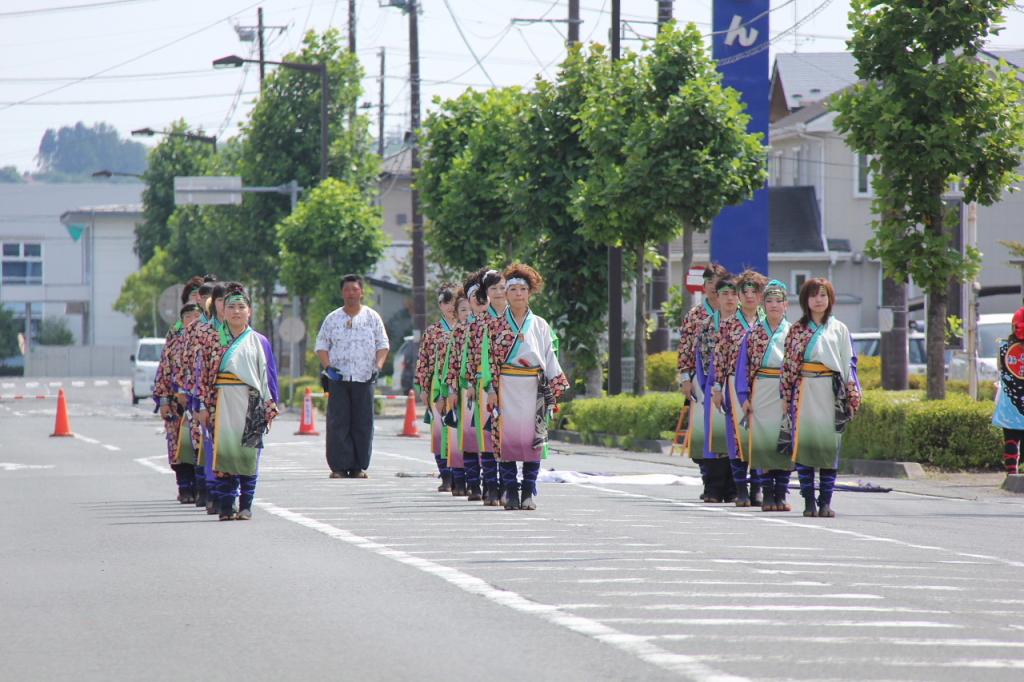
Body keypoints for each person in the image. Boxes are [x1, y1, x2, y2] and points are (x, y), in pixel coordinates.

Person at [470, 264, 569, 511]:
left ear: (529, 293)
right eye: (512, 289)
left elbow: (549, 356)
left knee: (534, 441)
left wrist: (554, 387)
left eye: (522, 289)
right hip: (506, 386)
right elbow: (486, 358)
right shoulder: (492, 325)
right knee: (506, 441)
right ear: (506, 293)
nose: (517, 294)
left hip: (533, 385)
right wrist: (490, 388)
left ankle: (528, 491)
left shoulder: (541, 324)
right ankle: (510, 490)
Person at [779, 278, 861, 518]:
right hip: (804, 390)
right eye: (813, 295)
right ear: (805, 299)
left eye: (823, 295)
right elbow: (789, 365)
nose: (818, 300)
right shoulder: (796, 329)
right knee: (804, 447)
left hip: (831, 392)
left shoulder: (839, 329)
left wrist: (852, 394)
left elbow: (848, 363)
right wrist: (785, 394)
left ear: (830, 299)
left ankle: (825, 501)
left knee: (828, 447)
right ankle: (808, 503)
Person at [196, 285, 279, 520]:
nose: (236, 311)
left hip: (251, 402)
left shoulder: (259, 341)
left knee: (248, 454)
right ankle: (225, 505)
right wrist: (202, 407)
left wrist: (271, 405)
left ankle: (245, 505)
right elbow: (202, 376)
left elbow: (269, 376)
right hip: (222, 402)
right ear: (223, 311)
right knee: (224, 454)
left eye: (241, 307)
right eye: (231, 306)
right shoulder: (213, 340)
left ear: (250, 312)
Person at [316, 274, 390, 479]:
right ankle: (339, 466)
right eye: (347, 289)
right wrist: (328, 367)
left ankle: (359, 466)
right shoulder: (332, 318)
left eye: (355, 289)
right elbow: (321, 345)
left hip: (364, 377)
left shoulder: (372, 317)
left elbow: (383, 345)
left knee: (363, 422)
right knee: (338, 422)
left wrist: (378, 366)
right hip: (338, 378)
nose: (351, 293)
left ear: (362, 292)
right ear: (342, 293)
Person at [735, 280, 793, 511]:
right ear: (763, 303)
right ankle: (768, 494)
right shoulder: (753, 334)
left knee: (784, 442)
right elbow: (742, 367)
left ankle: (781, 494)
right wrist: (743, 396)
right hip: (761, 390)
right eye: (769, 301)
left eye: (778, 301)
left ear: (786, 305)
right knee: (764, 443)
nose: (773, 305)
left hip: (785, 392)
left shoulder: (794, 333)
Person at [683, 276, 738, 503]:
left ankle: (737, 487)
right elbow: (695, 354)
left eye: (734, 293)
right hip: (711, 385)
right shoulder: (705, 323)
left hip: (739, 387)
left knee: (736, 439)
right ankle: (713, 488)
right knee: (713, 439)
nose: (729, 298)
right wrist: (704, 383)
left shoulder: (751, 323)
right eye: (724, 293)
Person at [677, 264, 728, 501]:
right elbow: (685, 347)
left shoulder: (735, 313)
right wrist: (685, 378)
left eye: (719, 284)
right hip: (702, 379)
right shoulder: (696, 315)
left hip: (728, 381)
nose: (714, 289)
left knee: (728, 433)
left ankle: (732, 484)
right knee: (704, 434)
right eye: (709, 284)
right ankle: (710, 484)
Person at [712, 273, 763, 507]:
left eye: (755, 292)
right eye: (745, 292)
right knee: (737, 436)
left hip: (764, 385)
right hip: (734, 384)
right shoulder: (729, 325)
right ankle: (741, 488)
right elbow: (719, 358)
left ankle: (759, 487)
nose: (750, 297)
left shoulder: (768, 322)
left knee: (762, 435)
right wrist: (716, 387)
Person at [447, 269, 489, 502]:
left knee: (492, 439)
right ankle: (473, 484)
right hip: (468, 391)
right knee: (471, 437)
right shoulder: (463, 329)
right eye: (474, 298)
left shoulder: (494, 323)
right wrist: (451, 389)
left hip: (494, 389)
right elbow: (453, 363)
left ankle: (494, 484)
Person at [154, 302, 203, 503]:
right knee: (178, 449)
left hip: (200, 403)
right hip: (177, 406)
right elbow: (164, 373)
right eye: (188, 317)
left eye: (196, 317)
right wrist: (165, 401)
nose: (192, 321)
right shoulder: (174, 343)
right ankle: (184, 488)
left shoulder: (206, 342)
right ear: (182, 321)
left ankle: (201, 488)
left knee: (199, 446)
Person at [414, 284, 458, 490]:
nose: (450, 307)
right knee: (440, 432)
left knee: (460, 431)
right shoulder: (432, 331)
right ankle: (446, 476)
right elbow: (423, 360)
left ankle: (462, 476)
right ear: (440, 305)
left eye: (453, 302)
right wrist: (423, 387)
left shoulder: (467, 327)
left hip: (461, 386)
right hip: (437, 385)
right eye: (445, 302)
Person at [440, 290, 471, 496]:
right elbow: (449, 365)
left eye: (470, 309)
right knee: (457, 437)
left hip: (482, 391)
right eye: (463, 310)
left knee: (479, 440)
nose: (467, 313)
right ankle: (458, 481)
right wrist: (449, 390)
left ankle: (479, 483)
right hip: (459, 392)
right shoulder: (457, 334)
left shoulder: (486, 328)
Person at [993, 307, 1024, 475]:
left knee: (1011, 439)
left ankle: (1011, 474)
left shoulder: (1003, 347)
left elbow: (999, 368)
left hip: (1011, 404)